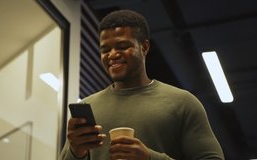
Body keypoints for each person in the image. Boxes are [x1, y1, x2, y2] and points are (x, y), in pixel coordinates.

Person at [61, 9, 224, 160]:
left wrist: (150, 158)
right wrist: (76, 152)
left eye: (123, 46)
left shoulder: (182, 103)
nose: (112, 55)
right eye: (105, 50)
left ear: (144, 47)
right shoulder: (89, 106)